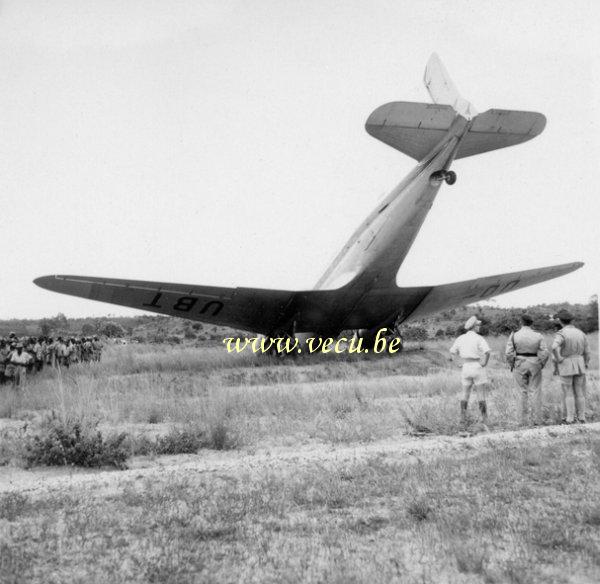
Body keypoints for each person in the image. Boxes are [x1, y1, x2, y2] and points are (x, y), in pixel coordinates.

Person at [505, 314, 549, 426]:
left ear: (521, 322)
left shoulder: (514, 335)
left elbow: (508, 353)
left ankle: (521, 421)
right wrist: (541, 364)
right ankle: (537, 420)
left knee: (521, 392)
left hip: (519, 362)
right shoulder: (538, 335)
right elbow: (545, 352)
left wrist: (512, 364)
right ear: (531, 323)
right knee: (536, 391)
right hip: (535, 362)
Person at [450, 316, 492, 430]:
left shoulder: (460, 338)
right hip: (477, 366)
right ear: (474, 327)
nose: (479, 327)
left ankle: (463, 419)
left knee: (465, 394)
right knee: (481, 395)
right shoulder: (479, 338)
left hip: (466, 366)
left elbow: (452, 352)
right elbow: (487, 352)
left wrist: (458, 363)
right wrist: (484, 363)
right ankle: (484, 419)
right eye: (478, 325)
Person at [551, 309, 590, 424]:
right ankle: (582, 417)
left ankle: (570, 418)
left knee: (568, 392)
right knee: (579, 391)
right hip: (579, 363)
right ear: (571, 320)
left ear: (561, 321)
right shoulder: (581, 333)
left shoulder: (561, 333)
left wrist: (558, 359)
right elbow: (587, 352)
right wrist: (586, 363)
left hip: (566, 364)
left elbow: (554, 347)